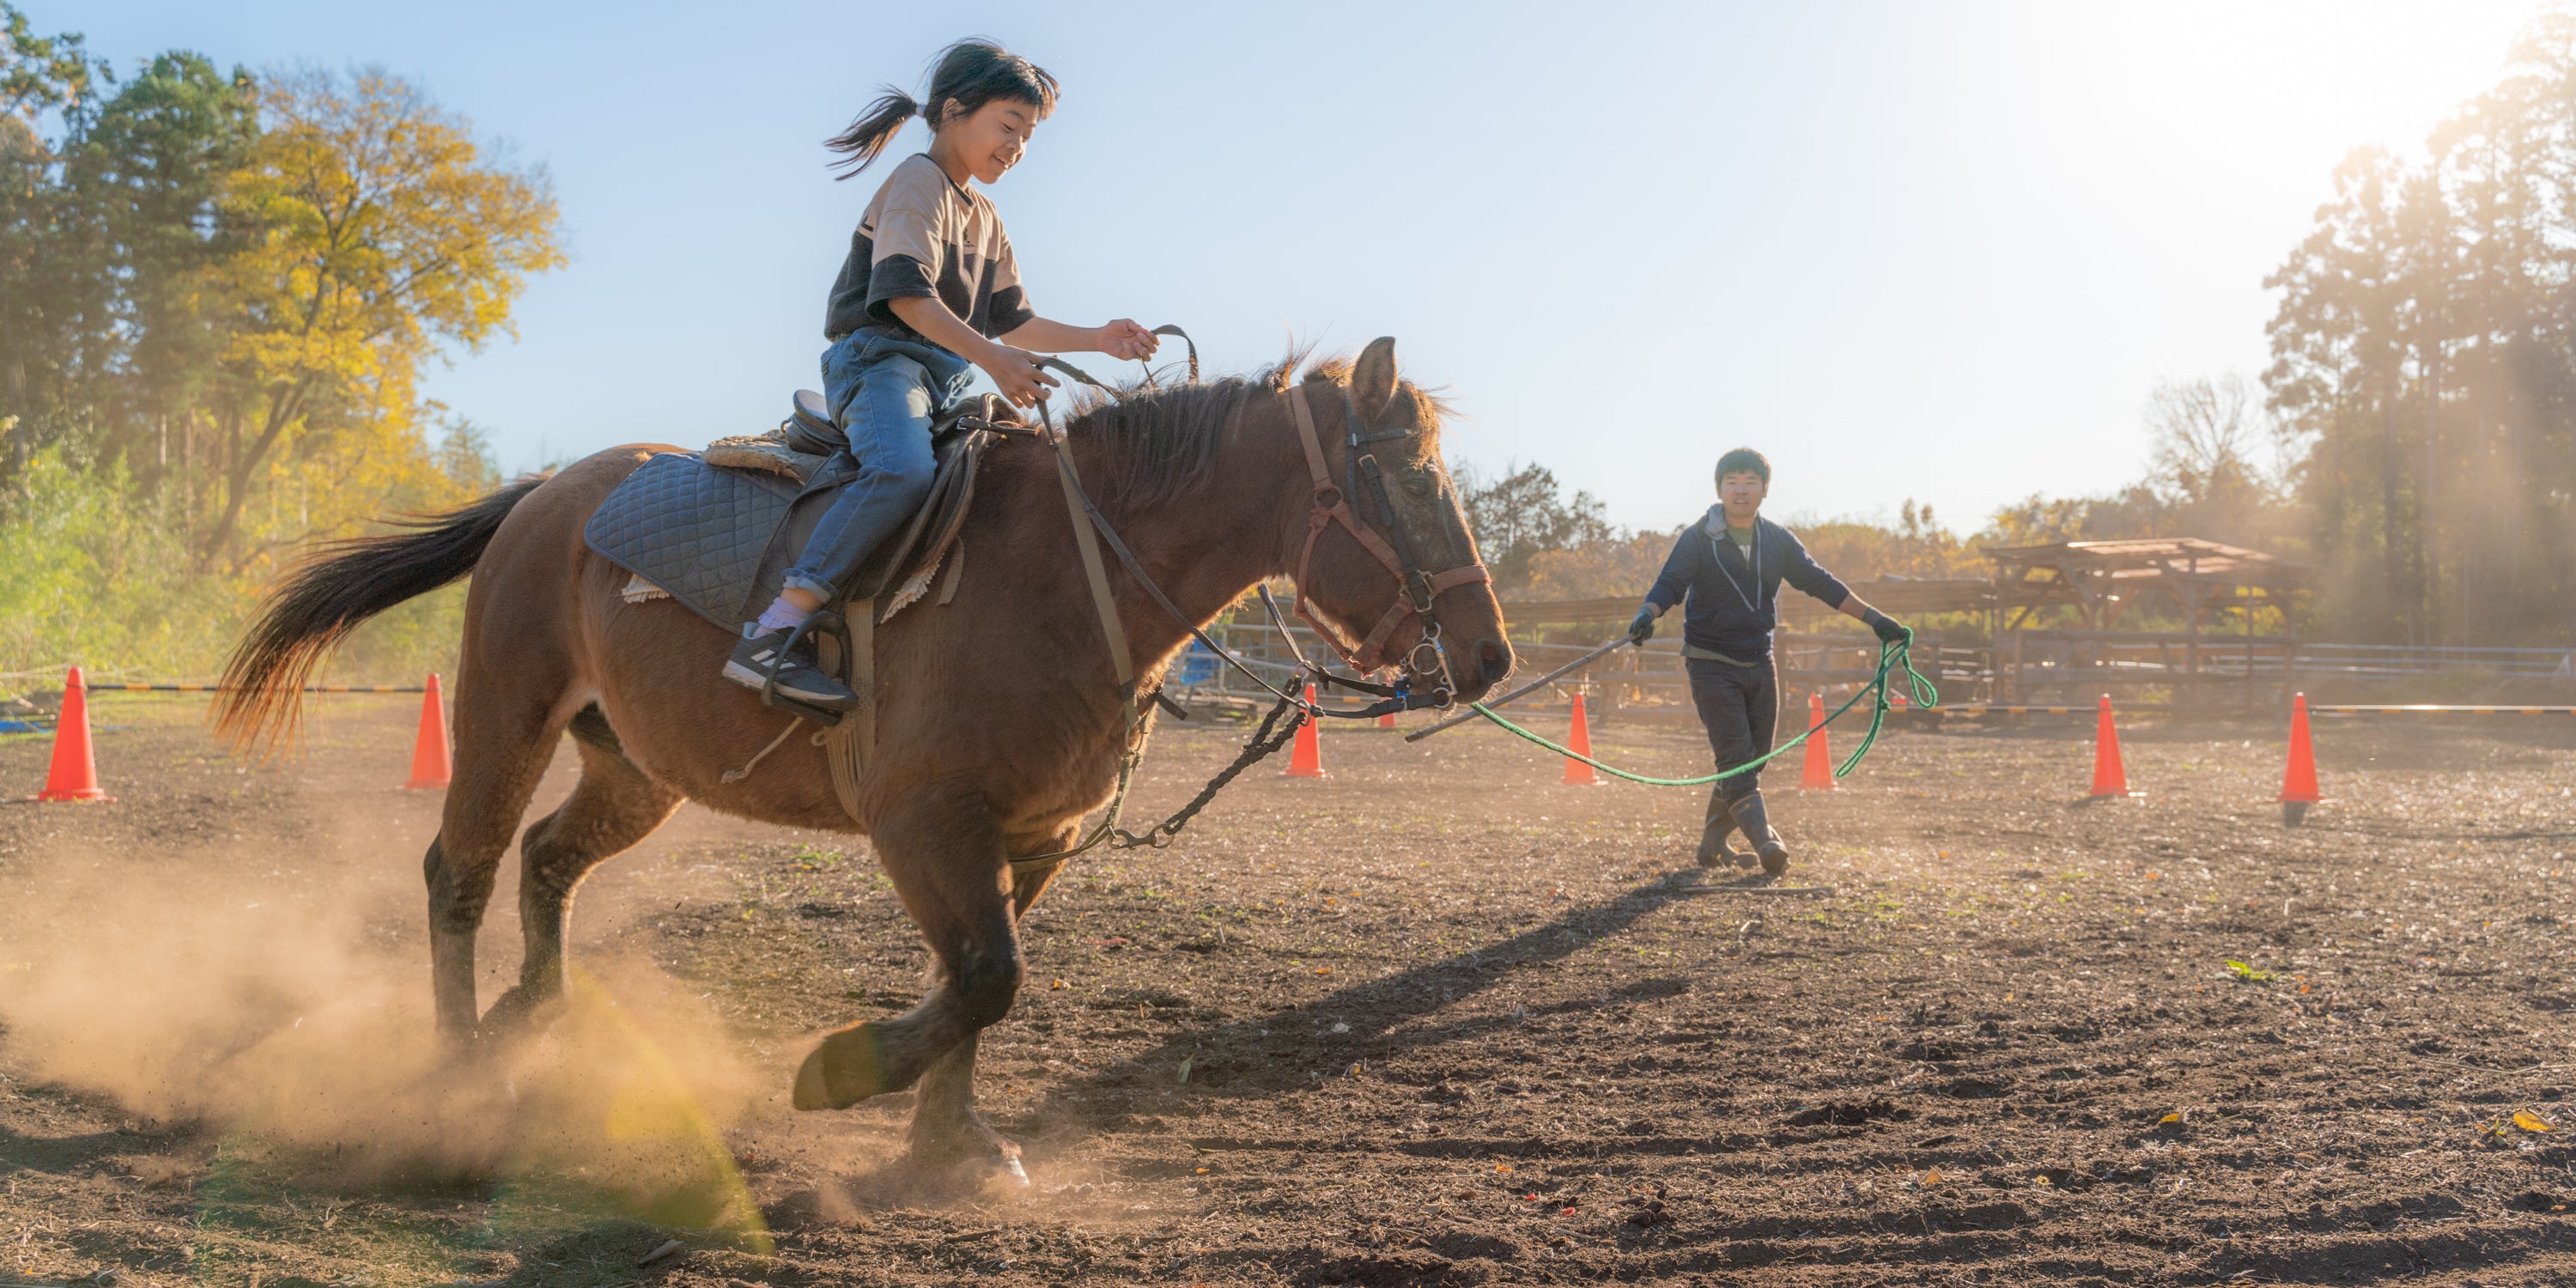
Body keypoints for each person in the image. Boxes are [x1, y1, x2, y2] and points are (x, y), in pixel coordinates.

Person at [726, 39, 1162, 708]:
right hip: (879, 362)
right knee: (901, 471)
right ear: (955, 112)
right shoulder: (916, 182)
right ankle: (775, 632)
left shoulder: (987, 217)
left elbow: (1014, 324)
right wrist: (990, 359)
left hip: (947, 377)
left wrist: (1100, 340)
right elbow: (905, 297)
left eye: (1029, 136)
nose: (1018, 146)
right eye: (1008, 126)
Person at [1627, 448, 1911, 876]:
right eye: (1732, 482)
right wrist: (1648, 613)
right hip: (1710, 662)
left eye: (1750, 481)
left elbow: (1820, 582)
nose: (1741, 490)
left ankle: (1711, 841)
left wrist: (1876, 620)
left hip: (1760, 661)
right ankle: (1766, 841)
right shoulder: (1698, 538)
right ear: (1719, 489)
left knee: (1753, 760)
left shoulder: (1778, 540)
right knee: (1736, 757)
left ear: (1764, 489)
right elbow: (1672, 583)